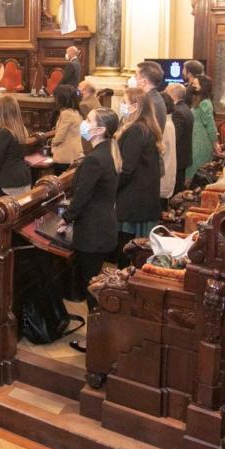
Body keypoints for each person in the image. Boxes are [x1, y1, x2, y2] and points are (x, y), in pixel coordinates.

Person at [58, 108, 120, 311]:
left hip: (93, 230)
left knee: (92, 286)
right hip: (103, 225)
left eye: (88, 120)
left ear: (100, 130)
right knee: (93, 281)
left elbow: (82, 196)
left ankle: (97, 327)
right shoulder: (109, 151)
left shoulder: (95, 159)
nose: (84, 123)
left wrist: (65, 218)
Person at [116, 87, 163, 258]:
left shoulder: (136, 130)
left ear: (135, 106)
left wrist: (112, 188)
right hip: (143, 195)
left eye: (124, 102)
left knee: (129, 249)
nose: (122, 105)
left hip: (133, 197)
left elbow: (127, 168)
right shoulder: (146, 126)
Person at [0, 94, 31, 196]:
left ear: (2, 114)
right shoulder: (22, 129)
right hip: (23, 178)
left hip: (8, 182)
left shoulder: (4, 133)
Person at [186, 74, 219, 183]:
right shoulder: (199, 100)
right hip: (195, 138)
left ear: (203, 86)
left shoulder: (205, 103)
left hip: (201, 141)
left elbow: (210, 125)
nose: (193, 86)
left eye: (196, 84)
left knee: (196, 168)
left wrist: (215, 143)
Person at [167, 83, 193, 195]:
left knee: (176, 192)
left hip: (178, 157)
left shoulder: (176, 111)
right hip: (183, 156)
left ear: (172, 95)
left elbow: (174, 136)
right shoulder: (186, 108)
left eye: (166, 93)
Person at [50, 84, 83, 174]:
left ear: (61, 98)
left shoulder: (67, 113)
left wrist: (52, 145)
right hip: (74, 154)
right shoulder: (76, 112)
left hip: (65, 156)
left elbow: (59, 138)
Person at [134, 61, 167, 130]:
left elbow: (137, 130)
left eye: (136, 76)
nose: (134, 78)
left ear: (144, 82)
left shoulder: (147, 103)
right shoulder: (155, 97)